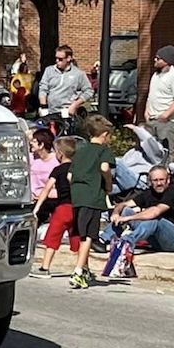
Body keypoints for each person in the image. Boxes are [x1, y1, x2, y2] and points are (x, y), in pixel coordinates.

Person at [67, 114, 116, 290]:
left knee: (81, 233)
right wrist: (108, 185)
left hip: (77, 196)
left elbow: (69, 175)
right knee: (88, 235)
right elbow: (104, 168)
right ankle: (78, 271)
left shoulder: (80, 151)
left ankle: (85, 267)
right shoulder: (103, 151)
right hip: (93, 196)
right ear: (104, 135)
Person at [104, 166, 174, 252]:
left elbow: (155, 212)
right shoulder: (148, 193)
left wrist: (128, 218)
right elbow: (123, 204)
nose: (159, 183)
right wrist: (116, 213)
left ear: (168, 180)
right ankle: (104, 238)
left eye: (162, 179)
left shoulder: (172, 194)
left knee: (154, 220)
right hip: (157, 241)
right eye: (155, 180)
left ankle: (126, 242)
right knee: (126, 210)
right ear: (150, 181)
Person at [30, 137, 78, 278]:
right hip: (76, 207)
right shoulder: (77, 169)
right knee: (77, 238)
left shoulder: (57, 170)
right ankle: (82, 267)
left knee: (53, 238)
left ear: (60, 154)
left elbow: (46, 189)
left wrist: (37, 207)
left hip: (62, 207)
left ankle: (45, 268)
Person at [143, 45, 174, 150]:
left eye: (158, 58)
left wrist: (165, 115)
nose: (155, 60)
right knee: (149, 153)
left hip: (168, 123)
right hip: (151, 121)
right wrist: (146, 111)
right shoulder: (155, 75)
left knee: (165, 154)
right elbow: (151, 95)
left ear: (166, 61)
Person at [37, 45, 93, 119]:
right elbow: (43, 88)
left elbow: (89, 91)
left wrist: (75, 105)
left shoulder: (78, 74)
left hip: (67, 112)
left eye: (60, 59)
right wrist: (43, 106)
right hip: (50, 112)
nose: (57, 61)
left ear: (68, 58)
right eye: (56, 58)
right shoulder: (49, 71)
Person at [28, 128, 59, 215]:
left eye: (34, 141)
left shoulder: (56, 160)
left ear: (41, 145)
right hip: (32, 198)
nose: (31, 143)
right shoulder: (30, 158)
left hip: (51, 198)